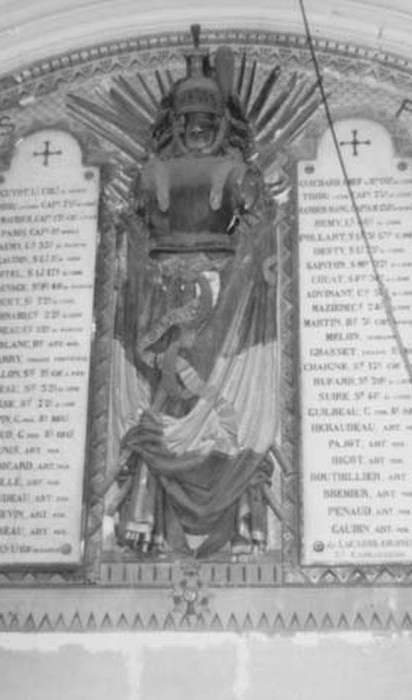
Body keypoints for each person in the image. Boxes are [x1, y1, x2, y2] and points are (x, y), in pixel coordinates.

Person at [109, 27, 280, 557]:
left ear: (221, 123)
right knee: (164, 395)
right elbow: (135, 229)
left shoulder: (236, 170)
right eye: (190, 122)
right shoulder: (153, 172)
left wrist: (250, 272)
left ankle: (227, 507)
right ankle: (148, 516)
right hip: (159, 289)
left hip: (221, 295)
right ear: (176, 124)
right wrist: (132, 261)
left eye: (208, 122)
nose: (199, 130)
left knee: (208, 391)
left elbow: (257, 223)